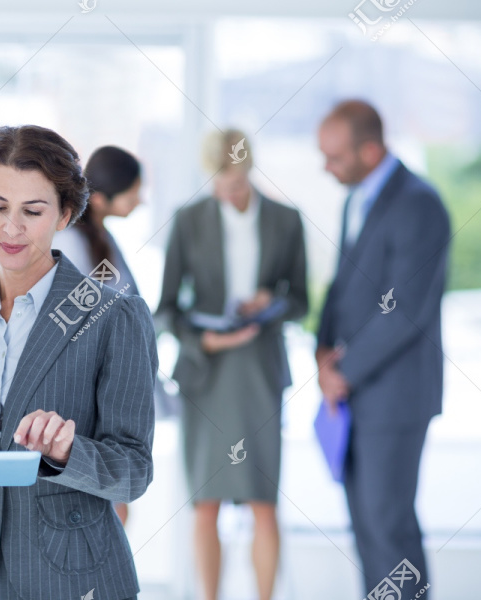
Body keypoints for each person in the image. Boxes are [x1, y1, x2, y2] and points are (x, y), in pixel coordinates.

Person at [0, 125, 157, 600]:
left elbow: (133, 470)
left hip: (73, 581)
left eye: (33, 211)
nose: (11, 228)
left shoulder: (113, 317)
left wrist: (67, 454)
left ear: (65, 213)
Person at [157, 129, 308, 600]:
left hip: (259, 372)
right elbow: (165, 309)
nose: (231, 190)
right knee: (206, 503)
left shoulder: (287, 220)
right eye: (222, 181)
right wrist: (204, 339)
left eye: (239, 180)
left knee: (263, 502)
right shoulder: (187, 220)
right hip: (207, 372)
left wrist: (272, 301)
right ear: (209, 176)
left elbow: (301, 301)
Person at [316, 100, 449, 598]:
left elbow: (407, 308)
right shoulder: (357, 198)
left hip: (394, 395)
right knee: (368, 529)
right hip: (354, 391)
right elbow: (343, 286)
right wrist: (322, 349)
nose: (326, 168)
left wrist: (343, 369)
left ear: (370, 150)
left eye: (335, 157)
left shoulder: (419, 203)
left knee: (388, 525)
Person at [53, 144, 142, 525]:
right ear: (103, 198)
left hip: (110, 386)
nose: (142, 198)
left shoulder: (102, 237)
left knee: (117, 498)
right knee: (104, 502)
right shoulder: (71, 241)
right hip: (85, 388)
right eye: (135, 191)